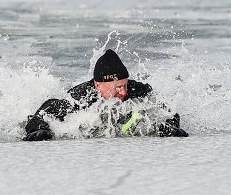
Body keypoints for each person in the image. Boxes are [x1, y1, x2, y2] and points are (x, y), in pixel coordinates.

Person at [23, 49, 188, 141]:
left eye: (124, 85)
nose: (122, 92)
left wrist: (171, 126)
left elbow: (168, 110)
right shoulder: (81, 96)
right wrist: (39, 129)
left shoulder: (137, 90)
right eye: (116, 88)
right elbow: (47, 109)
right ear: (98, 85)